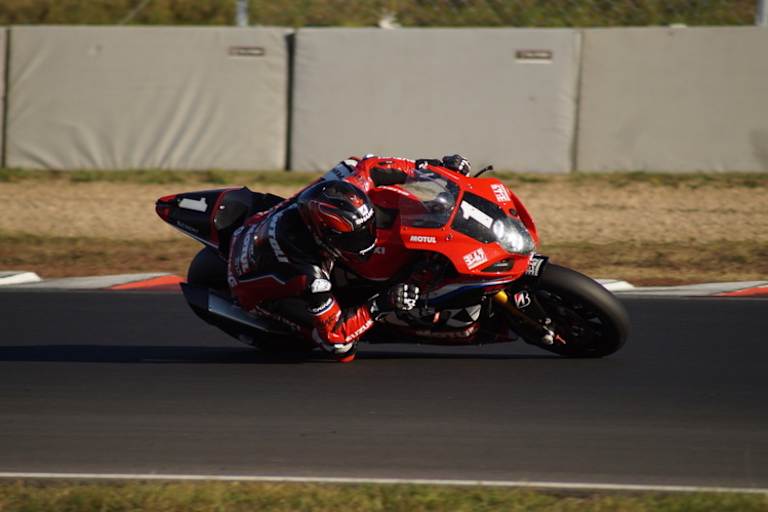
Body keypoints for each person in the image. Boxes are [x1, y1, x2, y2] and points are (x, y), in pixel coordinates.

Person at [226, 154, 470, 362]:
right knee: (342, 349)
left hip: (260, 222)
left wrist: (430, 170)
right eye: (353, 238)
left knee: (350, 163)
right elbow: (335, 338)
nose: (364, 241)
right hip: (252, 284)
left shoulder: (336, 196)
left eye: (365, 230)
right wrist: (381, 304)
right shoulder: (309, 275)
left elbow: (371, 165)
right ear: (324, 236)